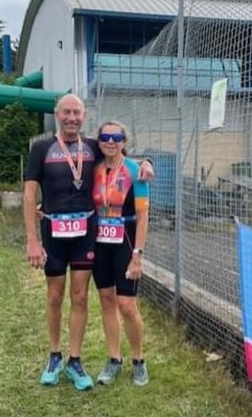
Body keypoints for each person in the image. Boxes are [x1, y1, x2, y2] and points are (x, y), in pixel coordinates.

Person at [23, 94, 153, 391]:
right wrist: (32, 238)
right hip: (55, 234)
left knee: (83, 297)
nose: (72, 117)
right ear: (57, 114)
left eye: (77, 113)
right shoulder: (42, 147)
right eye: (66, 112)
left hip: (87, 235)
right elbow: (30, 195)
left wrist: (147, 163)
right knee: (56, 296)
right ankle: (56, 356)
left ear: (84, 117)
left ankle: (78, 360)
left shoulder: (92, 147)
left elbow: (125, 158)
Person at [91, 121, 151, 387]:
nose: (111, 141)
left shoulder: (136, 171)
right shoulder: (93, 169)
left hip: (125, 240)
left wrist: (137, 254)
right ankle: (114, 359)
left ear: (125, 141)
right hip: (99, 242)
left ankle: (139, 360)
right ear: (99, 141)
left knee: (127, 305)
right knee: (106, 300)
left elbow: (143, 215)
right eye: (105, 136)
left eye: (117, 137)